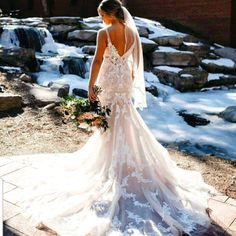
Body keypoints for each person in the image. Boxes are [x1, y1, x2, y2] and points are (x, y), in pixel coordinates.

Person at [17, 0, 221, 235]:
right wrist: (130, 79)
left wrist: (91, 84)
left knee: (109, 121)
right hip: (124, 78)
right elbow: (134, 62)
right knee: (125, 116)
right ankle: (129, 160)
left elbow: (97, 60)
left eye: (100, 15)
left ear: (108, 15)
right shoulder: (132, 32)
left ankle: (112, 164)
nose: (99, 19)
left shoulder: (104, 32)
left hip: (109, 79)